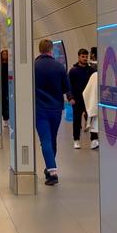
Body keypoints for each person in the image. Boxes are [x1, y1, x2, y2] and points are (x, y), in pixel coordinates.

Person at [35, 39, 74, 186]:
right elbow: (66, 87)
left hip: (40, 109)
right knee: (52, 138)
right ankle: (49, 167)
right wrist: (70, 98)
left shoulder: (34, 66)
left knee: (45, 140)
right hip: (56, 109)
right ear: (51, 49)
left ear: (40, 50)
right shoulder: (59, 67)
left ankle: (52, 172)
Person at [69, 48, 94, 149]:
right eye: (83, 57)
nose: (85, 58)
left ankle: (94, 139)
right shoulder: (73, 71)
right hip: (77, 99)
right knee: (76, 120)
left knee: (92, 119)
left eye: (86, 56)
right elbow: (69, 85)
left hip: (89, 99)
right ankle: (76, 140)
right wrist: (70, 97)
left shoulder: (92, 70)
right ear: (79, 57)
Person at [83, 71, 99, 149]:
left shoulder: (95, 75)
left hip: (99, 103)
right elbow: (88, 91)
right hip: (96, 103)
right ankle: (94, 140)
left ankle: (95, 140)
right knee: (95, 121)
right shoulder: (95, 75)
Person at [0, 49, 9, 125]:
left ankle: (10, 116)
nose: (5, 55)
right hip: (2, 85)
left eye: (6, 54)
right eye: (3, 54)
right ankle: (5, 118)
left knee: (9, 101)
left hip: (9, 84)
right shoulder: (0, 65)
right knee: (4, 102)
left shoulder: (10, 65)